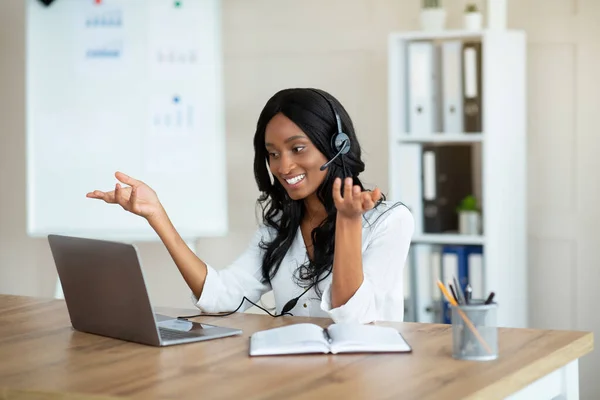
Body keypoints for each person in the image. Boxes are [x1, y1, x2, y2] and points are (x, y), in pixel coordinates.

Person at [87, 88, 414, 324]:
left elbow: (352, 318)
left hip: (366, 377)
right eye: (273, 153)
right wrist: (157, 216)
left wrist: (347, 223)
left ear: (337, 147)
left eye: (297, 148)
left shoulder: (390, 221)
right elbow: (221, 299)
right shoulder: (281, 226)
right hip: (297, 375)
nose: (284, 167)